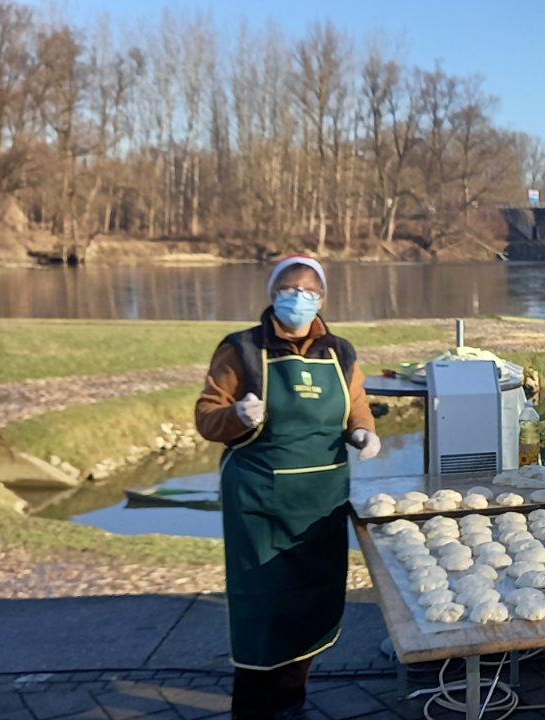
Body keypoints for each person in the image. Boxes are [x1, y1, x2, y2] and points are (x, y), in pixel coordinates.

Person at [195, 255, 381, 720]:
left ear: (323, 298)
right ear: (272, 293)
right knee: (262, 607)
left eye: (309, 291)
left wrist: (363, 431)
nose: (300, 298)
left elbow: (356, 403)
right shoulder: (241, 350)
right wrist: (234, 417)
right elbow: (206, 416)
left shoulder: (340, 352)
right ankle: (254, 708)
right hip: (259, 505)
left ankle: (292, 701)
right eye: (291, 289)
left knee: (310, 604)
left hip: (319, 505)